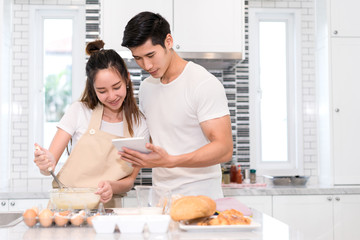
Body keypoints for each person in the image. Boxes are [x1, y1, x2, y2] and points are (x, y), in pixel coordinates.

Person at [119, 11, 233, 199]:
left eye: (150, 55)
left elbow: (224, 148)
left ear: (168, 41)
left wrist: (171, 161)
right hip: (160, 199)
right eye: (138, 58)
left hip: (201, 199)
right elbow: (160, 141)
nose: (146, 65)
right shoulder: (147, 88)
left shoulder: (203, 83)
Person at [34, 40, 149, 207]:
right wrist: (45, 163)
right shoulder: (79, 111)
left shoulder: (140, 124)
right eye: (102, 91)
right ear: (93, 88)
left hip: (109, 210)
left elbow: (130, 180)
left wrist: (111, 186)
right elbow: (47, 168)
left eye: (116, 87)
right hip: (67, 209)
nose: (111, 96)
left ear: (127, 79)